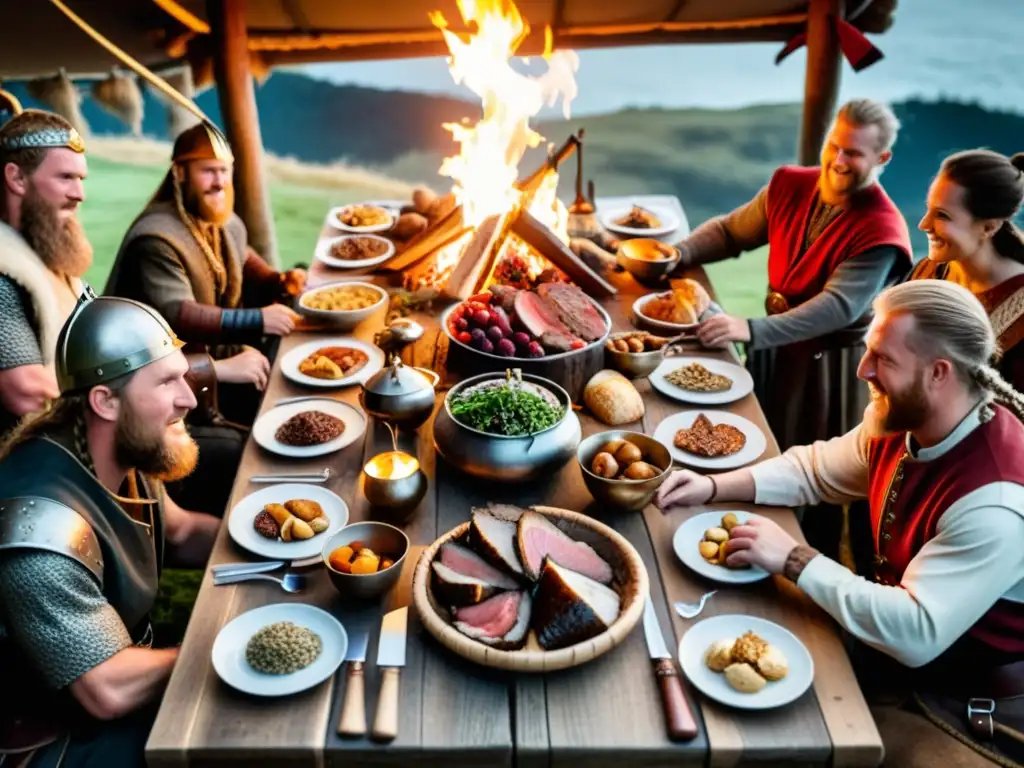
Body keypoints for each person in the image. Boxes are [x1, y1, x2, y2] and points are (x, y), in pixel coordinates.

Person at [656, 280, 1024, 767]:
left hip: (954, 699)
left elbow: (915, 631)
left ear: (939, 373)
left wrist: (793, 557)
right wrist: (713, 484)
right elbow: (816, 471)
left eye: (883, 360)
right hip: (884, 654)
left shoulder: (996, 502)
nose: (862, 370)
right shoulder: (902, 418)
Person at [669, 98, 914, 559]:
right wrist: (678, 255)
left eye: (854, 154)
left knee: (817, 480)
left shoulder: (882, 232)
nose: (838, 161)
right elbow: (728, 232)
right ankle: (737, 543)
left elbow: (837, 307)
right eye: (834, 146)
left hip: (830, 370)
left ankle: (807, 573)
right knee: (758, 451)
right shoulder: (790, 185)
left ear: (882, 159)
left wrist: (750, 328)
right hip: (774, 350)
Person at [0, 288, 220, 767]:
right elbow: (107, 688)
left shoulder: (115, 447)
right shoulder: (40, 532)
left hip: (115, 685)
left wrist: (279, 543)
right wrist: (219, 644)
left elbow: (180, 533)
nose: (189, 399)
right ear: (106, 400)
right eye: (166, 383)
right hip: (55, 741)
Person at [104, 121, 304, 514]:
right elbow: (180, 314)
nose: (218, 181)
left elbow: (246, 268)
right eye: (207, 170)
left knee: (289, 375)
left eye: (224, 170)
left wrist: (284, 281)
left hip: (213, 373)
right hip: (162, 397)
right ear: (179, 173)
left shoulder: (224, 221)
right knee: (241, 452)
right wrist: (257, 321)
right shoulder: (155, 239)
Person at [0, 108, 91, 437]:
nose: (79, 194)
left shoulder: (46, 253)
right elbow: (25, 391)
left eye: (80, 179)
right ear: (17, 178)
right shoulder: (4, 269)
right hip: (21, 471)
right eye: (65, 178)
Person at [911, 149, 1024, 389]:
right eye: (927, 209)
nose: (923, 224)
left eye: (941, 215)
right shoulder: (926, 273)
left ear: (988, 227)